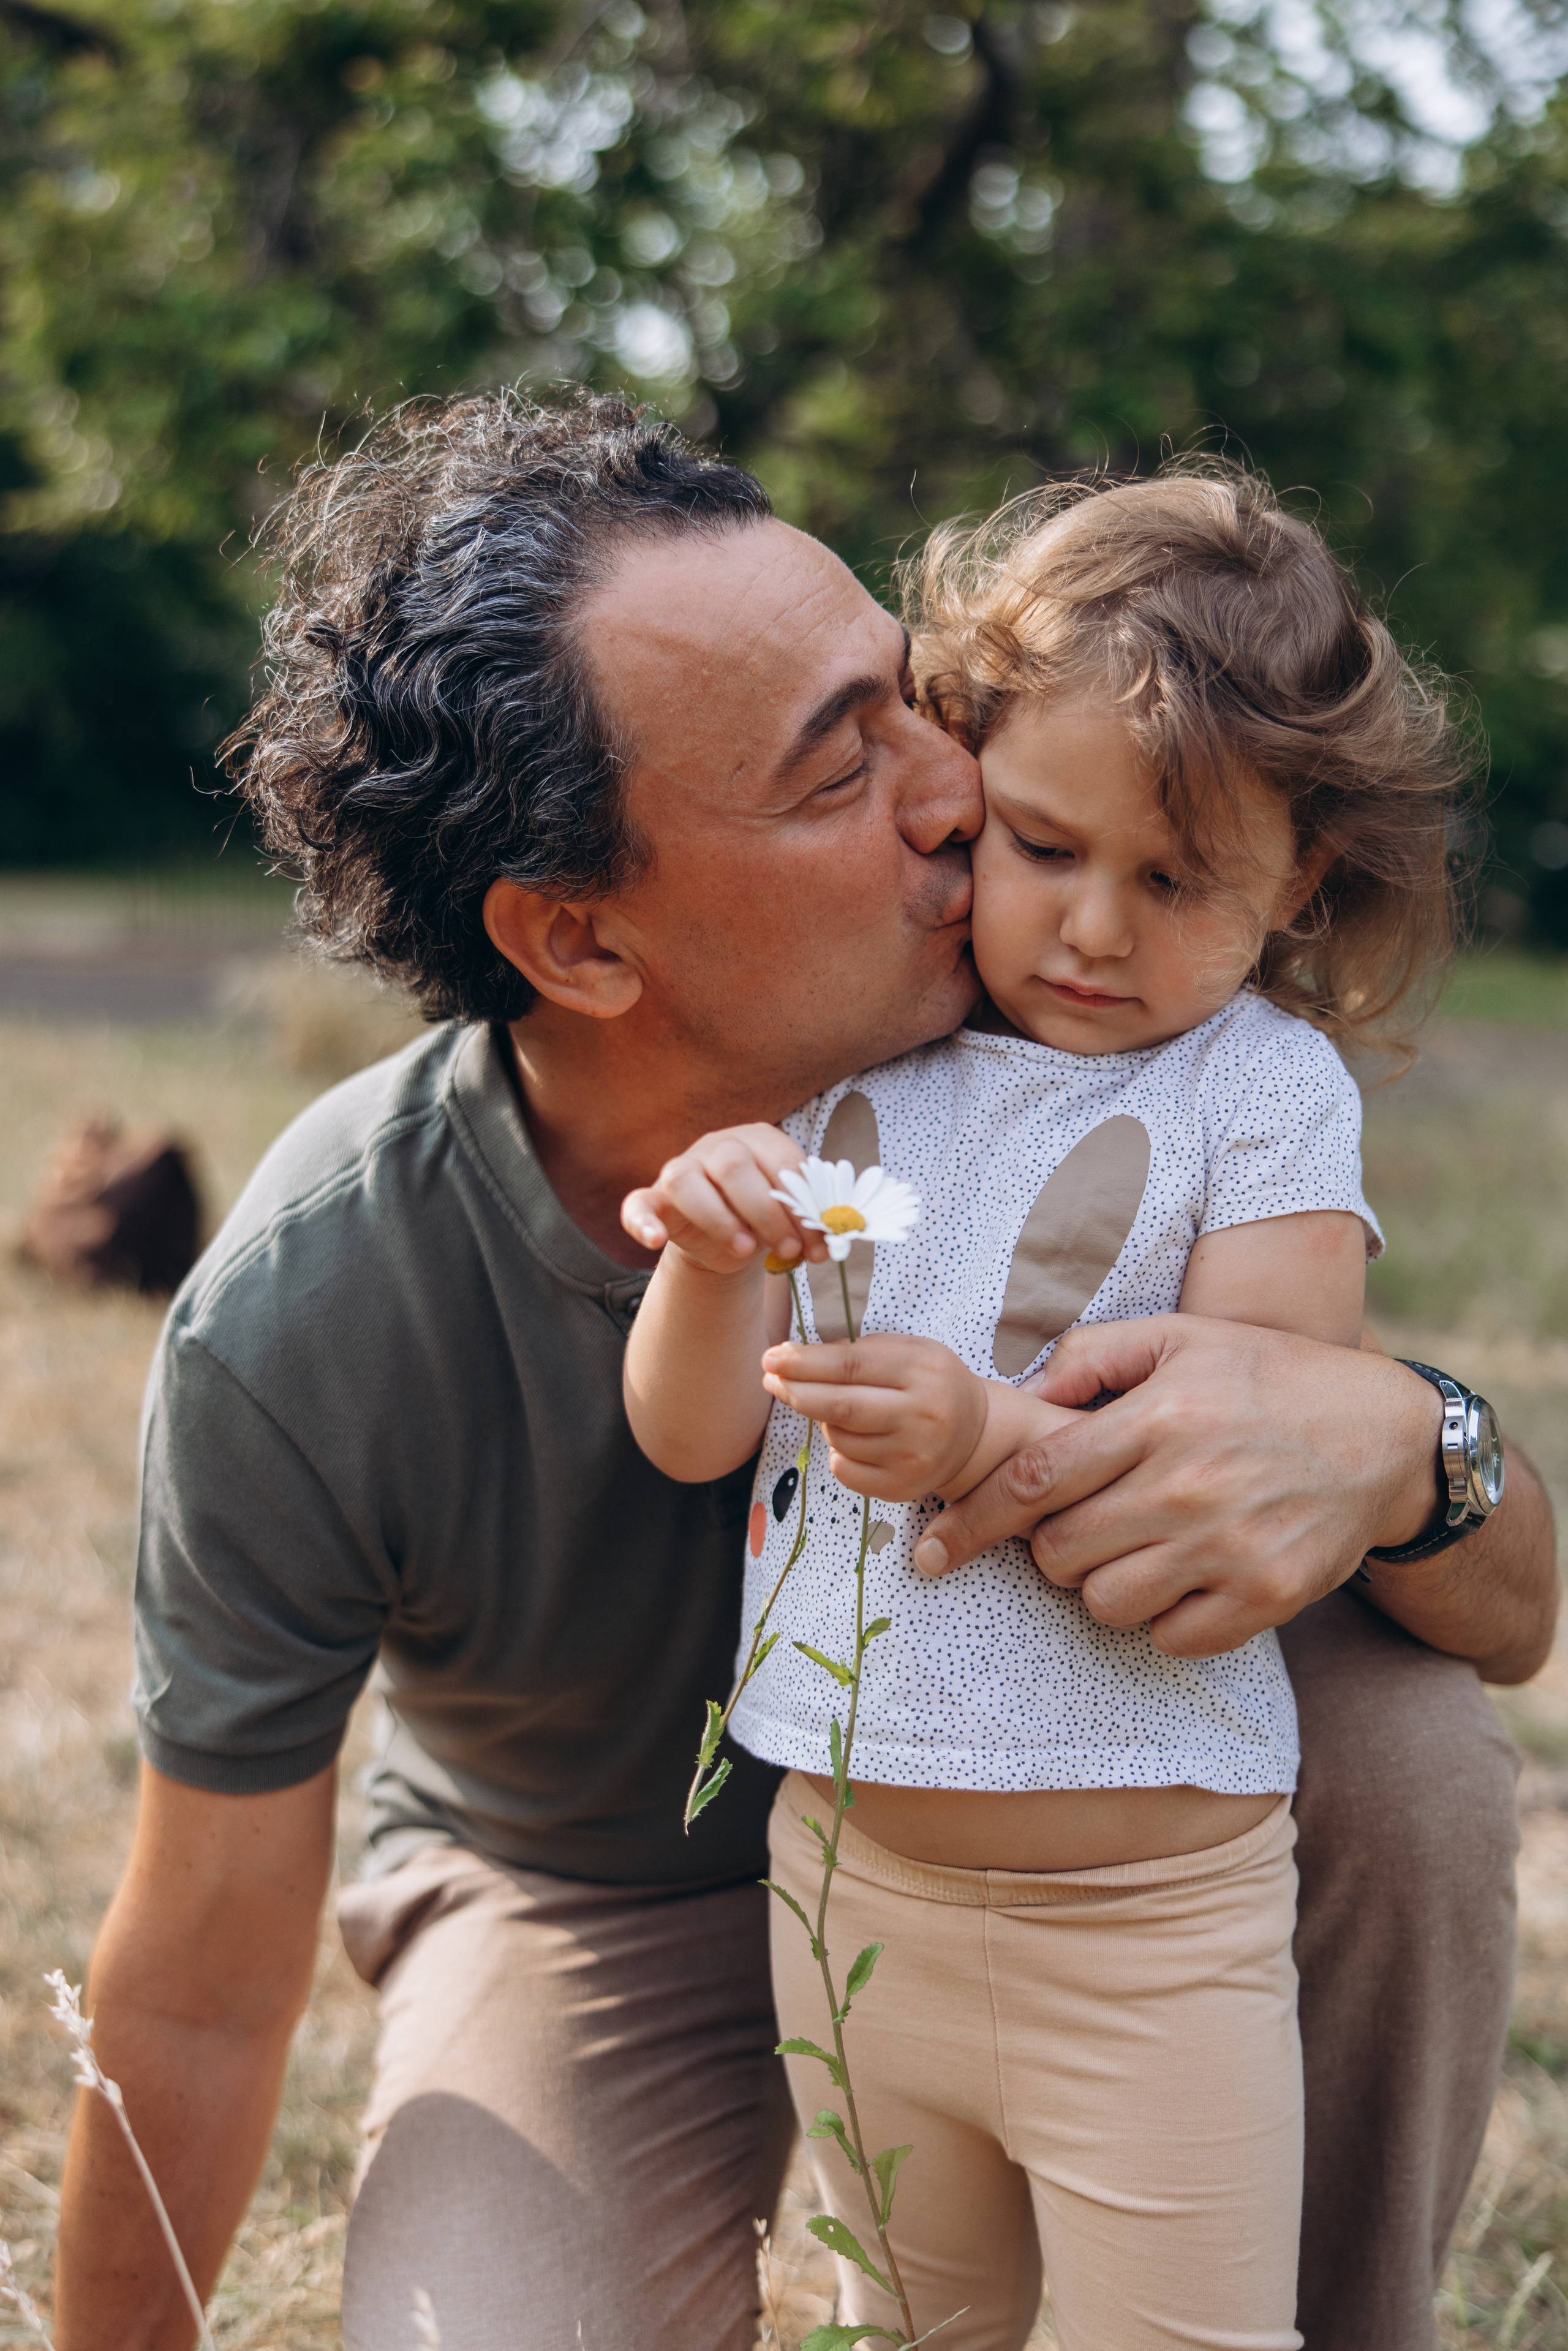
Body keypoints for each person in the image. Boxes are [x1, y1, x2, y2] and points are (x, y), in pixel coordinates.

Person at [51, 392, 1553, 2351]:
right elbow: (193, 1977)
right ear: (578, 941)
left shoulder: (1153, 1073)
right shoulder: (312, 1311)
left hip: (1095, 1826)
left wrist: (1402, 1437)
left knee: (1410, 1748)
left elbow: (1512, 1620)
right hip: (597, 1906)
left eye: (908, 697)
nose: (957, 790)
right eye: (842, 773)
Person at [617, 467, 1461, 2350]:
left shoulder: (1264, 1092)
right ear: (969, 783)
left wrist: (989, 1443)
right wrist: (707, 1253)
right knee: (916, 2327)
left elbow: (1248, 1454)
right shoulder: (863, 1057)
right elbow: (690, 1437)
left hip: (1145, 1931)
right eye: (1041, 844)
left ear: (1302, 877)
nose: (1091, 928)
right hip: (844, 1891)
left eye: (1177, 883)